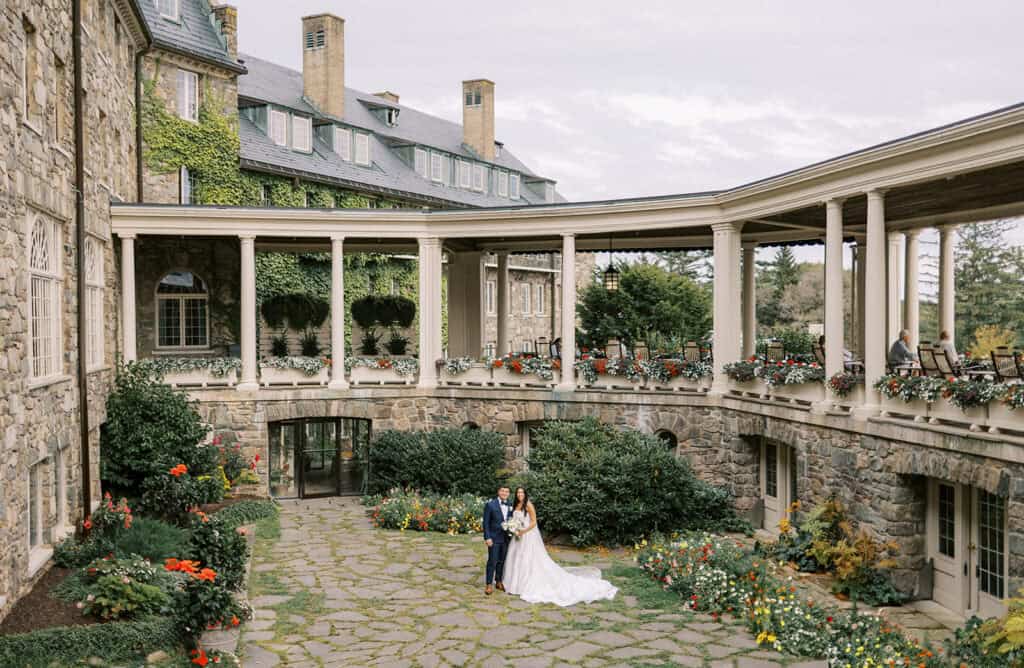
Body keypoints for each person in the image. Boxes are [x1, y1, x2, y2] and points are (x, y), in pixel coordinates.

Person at [502, 487, 618, 606]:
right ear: (516, 495)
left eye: (522, 492)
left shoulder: (529, 505)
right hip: (517, 537)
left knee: (529, 559)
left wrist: (523, 531)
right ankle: (515, 584)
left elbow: (534, 522)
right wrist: (514, 528)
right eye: (518, 493)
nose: (520, 494)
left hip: (526, 535)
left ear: (525, 494)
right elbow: (515, 520)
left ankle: (525, 584)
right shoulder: (516, 505)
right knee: (517, 558)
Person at [481, 485, 512, 595]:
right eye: (502, 491)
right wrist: (487, 537)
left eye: (507, 491)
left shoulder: (510, 505)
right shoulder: (490, 505)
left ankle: (498, 581)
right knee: (492, 561)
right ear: (498, 491)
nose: (504, 493)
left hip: (506, 538)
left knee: (502, 561)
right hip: (493, 538)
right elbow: (486, 523)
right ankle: (489, 584)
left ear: (509, 493)